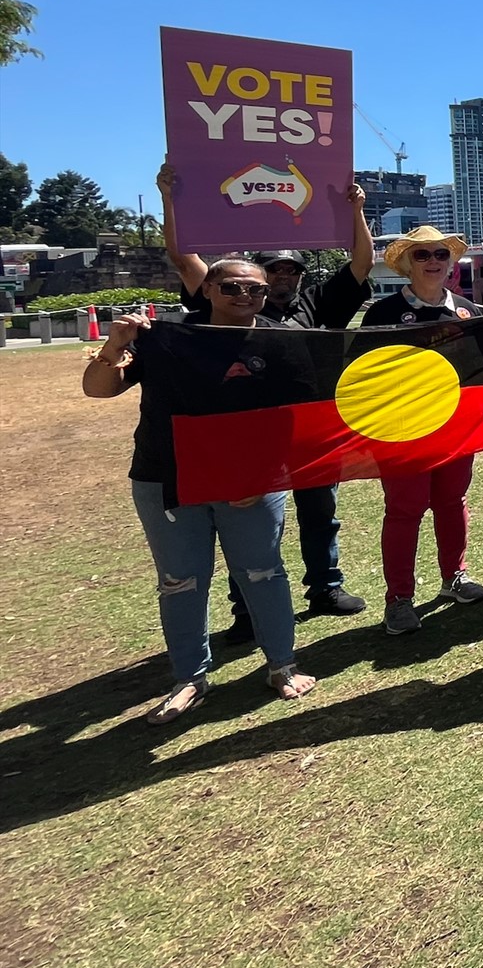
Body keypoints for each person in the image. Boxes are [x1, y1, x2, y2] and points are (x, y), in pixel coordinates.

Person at [82, 259, 316, 722]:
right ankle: (190, 677)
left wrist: (265, 476)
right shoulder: (166, 338)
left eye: (257, 290)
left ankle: (281, 664)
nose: (246, 296)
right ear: (207, 288)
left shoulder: (280, 342)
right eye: (232, 286)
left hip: (249, 484)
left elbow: (298, 419)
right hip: (165, 477)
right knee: (180, 582)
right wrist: (115, 346)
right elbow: (98, 390)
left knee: (263, 572)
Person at [156, 160, 374, 627]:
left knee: (320, 513)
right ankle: (248, 611)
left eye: (291, 270)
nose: (282, 278)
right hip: (247, 431)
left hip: (306, 427)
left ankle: (325, 587)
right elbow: (184, 259)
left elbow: (360, 265)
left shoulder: (315, 302)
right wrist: (169, 200)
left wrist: (356, 210)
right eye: (272, 270)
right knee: (249, 525)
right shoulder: (225, 302)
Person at [361, 227, 483, 635]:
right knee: (405, 510)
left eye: (440, 254)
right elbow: (361, 376)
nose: (433, 261)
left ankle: (455, 575)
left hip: (456, 427)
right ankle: (398, 599)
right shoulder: (380, 313)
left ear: (451, 263)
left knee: (452, 501)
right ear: (405, 264)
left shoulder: (470, 311)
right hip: (402, 428)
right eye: (422, 255)